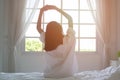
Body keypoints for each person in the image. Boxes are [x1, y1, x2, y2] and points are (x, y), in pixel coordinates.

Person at [37, 5, 78, 78]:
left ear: (48, 31)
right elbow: (70, 19)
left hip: (50, 75)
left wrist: (41, 11)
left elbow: (38, 28)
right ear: (60, 29)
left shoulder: (46, 40)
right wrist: (57, 9)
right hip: (66, 74)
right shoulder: (68, 39)